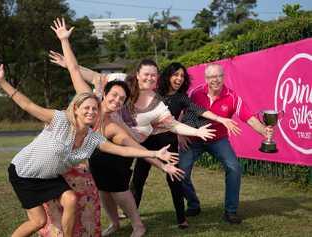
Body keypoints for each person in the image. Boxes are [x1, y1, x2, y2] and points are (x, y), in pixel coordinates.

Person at [0, 69, 176, 237]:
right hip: (24, 173)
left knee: (71, 200)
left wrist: (155, 154)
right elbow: (27, 105)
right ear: (76, 108)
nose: (91, 111)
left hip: (49, 176)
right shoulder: (60, 120)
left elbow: (123, 150)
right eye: (86, 108)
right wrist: (2, 82)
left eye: (94, 109)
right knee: (38, 221)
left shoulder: (92, 138)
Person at [49, 18, 184, 237]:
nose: (116, 101)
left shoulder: (113, 126)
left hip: (116, 156)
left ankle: (138, 224)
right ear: (105, 93)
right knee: (103, 190)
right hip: (97, 155)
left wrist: (162, 166)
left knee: (119, 191)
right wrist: (64, 40)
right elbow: (74, 69)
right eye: (114, 96)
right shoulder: (88, 102)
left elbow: (136, 149)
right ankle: (115, 223)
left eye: (121, 99)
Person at [129, 62, 241, 229]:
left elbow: (197, 109)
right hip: (148, 142)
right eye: (176, 75)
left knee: (175, 178)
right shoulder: (154, 92)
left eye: (182, 76)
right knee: (138, 178)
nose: (179, 79)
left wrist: (220, 119)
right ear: (167, 76)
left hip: (169, 142)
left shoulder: (181, 97)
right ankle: (132, 212)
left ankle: (181, 218)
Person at [179, 63, 273, 224]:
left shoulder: (232, 97)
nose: (214, 80)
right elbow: (183, 113)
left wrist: (265, 131)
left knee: (234, 167)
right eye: (210, 77)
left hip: (218, 140)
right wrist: (181, 134)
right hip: (194, 139)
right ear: (206, 79)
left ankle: (231, 211)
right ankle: (193, 204)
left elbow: (249, 118)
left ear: (224, 77)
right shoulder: (195, 93)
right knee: (180, 172)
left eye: (218, 76)